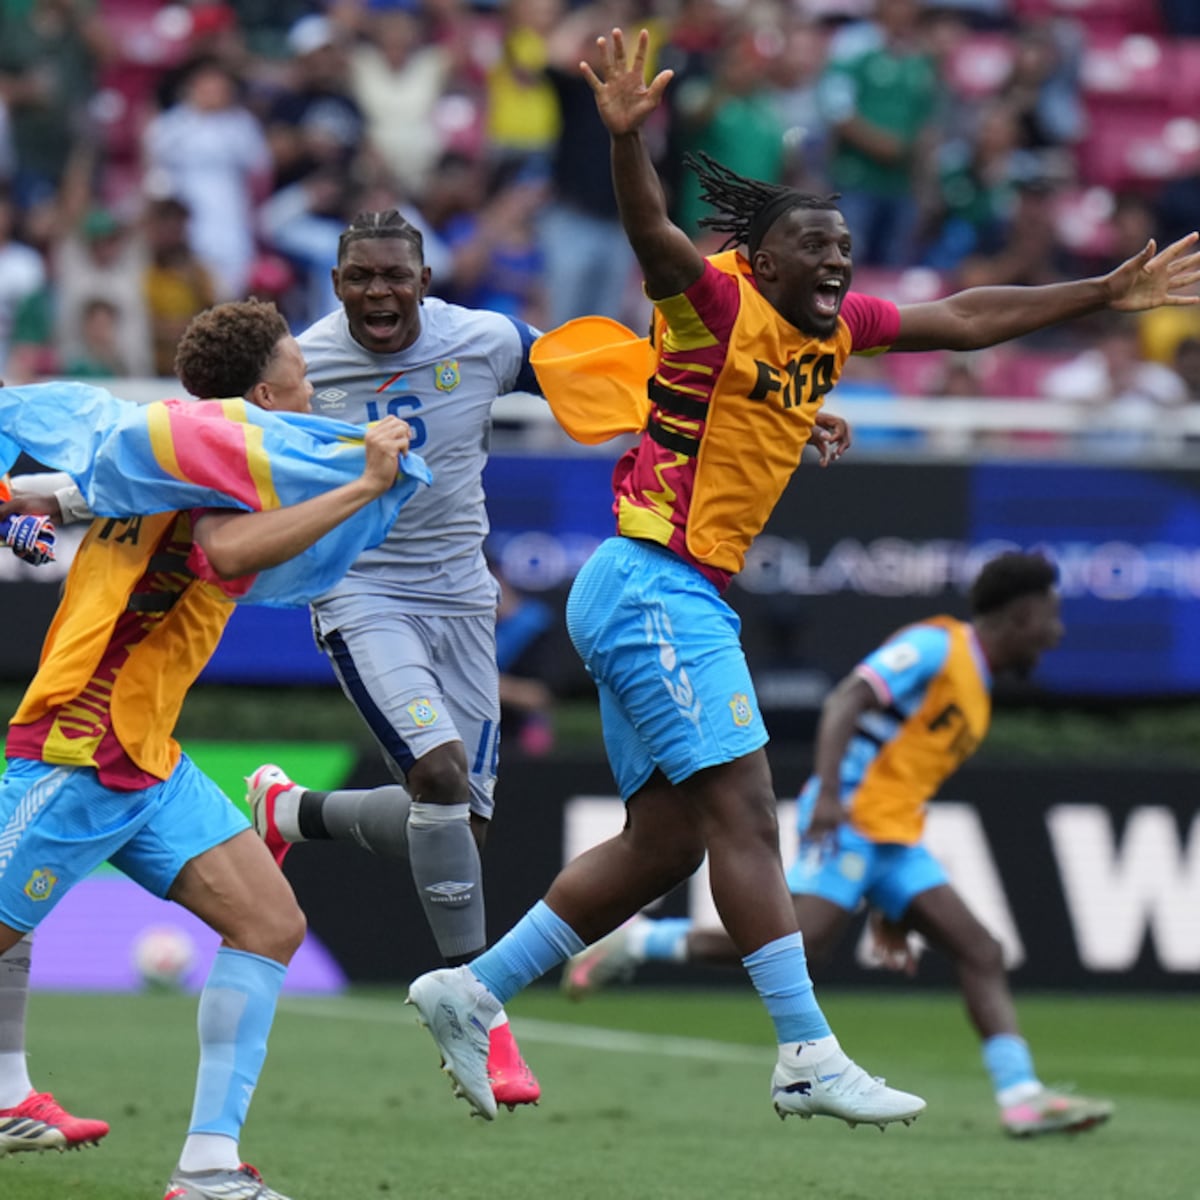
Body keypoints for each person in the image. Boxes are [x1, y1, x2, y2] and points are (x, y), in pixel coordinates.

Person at [403, 26, 1200, 1128]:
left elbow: (964, 320)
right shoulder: (716, 305)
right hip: (654, 584)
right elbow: (652, 233)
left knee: (665, 844)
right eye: (815, 251)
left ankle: (473, 987)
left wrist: (1102, 293)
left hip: (656, 588)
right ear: (764, 262)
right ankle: (805, 1053)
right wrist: (629, 143)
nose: (839, 264)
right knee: (747, 811)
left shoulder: (828, 335)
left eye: (845, 252)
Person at [0, 297, 416, 1198]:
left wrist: (30, 499)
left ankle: (208, 1168)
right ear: (267, 391)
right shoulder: (213, 460)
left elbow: (89, 499)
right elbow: (226, 554)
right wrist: (362, 487)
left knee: (269, 924)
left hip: (145, 757)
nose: (313, 388)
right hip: (79, 744)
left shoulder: (175, 450)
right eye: (301, 376)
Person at [563, 553, 1116, 1138]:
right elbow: (847, 698)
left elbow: (902, 771)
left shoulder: (976, 685)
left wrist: (891, 903)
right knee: (801, 942)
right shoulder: (937, 647)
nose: (1056, 634)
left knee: (979, 949)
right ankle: (641, 939)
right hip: (849, 820)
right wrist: (827, 794)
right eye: (1051, 619)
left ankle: (1022, 1096)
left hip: (895, 840)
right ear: (1023, 615)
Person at [245, 208, 543, 1108]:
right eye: (361, 278)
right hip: (361, 590)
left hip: (462, 598)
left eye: (396, 277)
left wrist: (754, 418)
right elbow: (213, 437)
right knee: (442, 777)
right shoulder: (301, 365)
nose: (380, 292)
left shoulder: (486, 339)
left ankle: (291, 812)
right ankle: (476, 1010)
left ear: (425, 280)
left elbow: (603, 372)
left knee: (455, 825)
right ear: (336, 285)